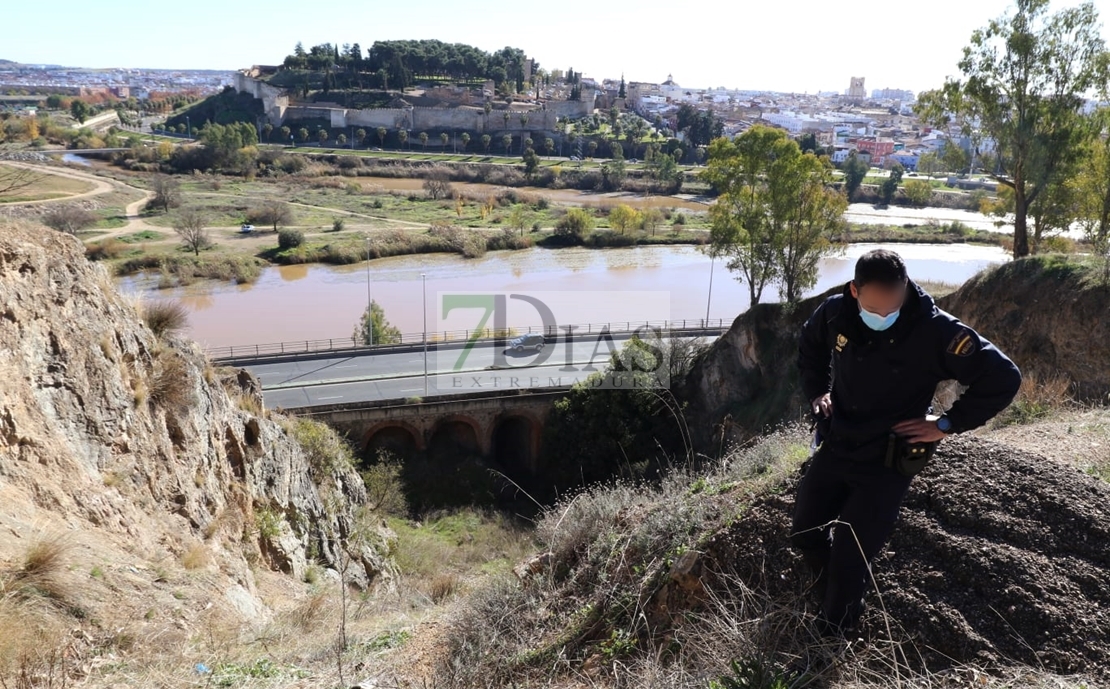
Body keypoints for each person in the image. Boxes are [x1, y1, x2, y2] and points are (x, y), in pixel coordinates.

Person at [792, 249, 1021, 636]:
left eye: (892, 303)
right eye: (874, 306)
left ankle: (834, 637)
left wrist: (946, 423)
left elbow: (1003, 377)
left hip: (890, 456)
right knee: (804, 532)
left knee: (853, 554)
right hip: (839, 440)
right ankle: (828, 591)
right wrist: (818, 391)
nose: (883, 313)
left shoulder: (937, 331)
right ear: (855, 291)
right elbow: (809, 348)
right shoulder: (835, 312)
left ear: (905, 288)